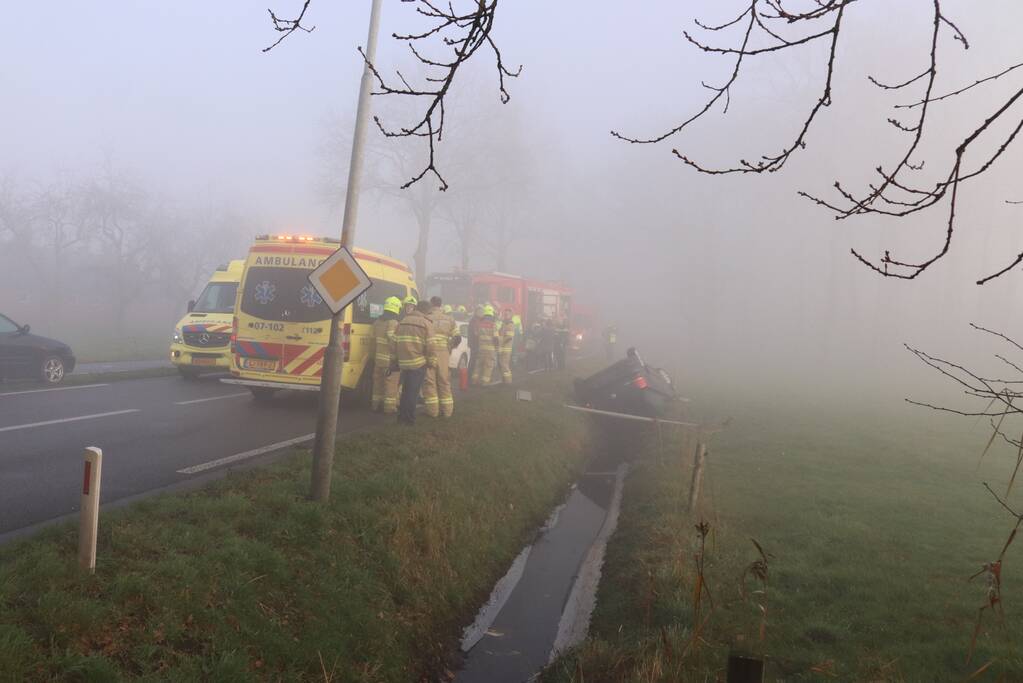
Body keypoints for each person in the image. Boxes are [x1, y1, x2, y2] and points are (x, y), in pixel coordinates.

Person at [392, 299, 435, 425]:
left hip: (403, 361)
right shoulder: (426, 323)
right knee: (413, 392)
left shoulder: (403, 321)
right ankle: (409, 419)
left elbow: (393, 342)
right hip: (418, 362)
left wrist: (394, 359)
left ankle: (401, 417)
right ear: (426, 310)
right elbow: (431, 345)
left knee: (405, 390)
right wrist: (432, 362)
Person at [424, 296, 460, 417]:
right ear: (441, 304)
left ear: (431, 304)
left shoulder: (426, 317)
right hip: (444, 352)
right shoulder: (449, 319)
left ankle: (433, 412)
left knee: (430, 382)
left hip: (429, 351)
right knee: (444, 381)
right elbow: (457, 337)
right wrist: (449, 348)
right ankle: (447, 411)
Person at [370, 296, 402, 414]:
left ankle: (375, 405)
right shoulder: (393, 322)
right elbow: (391, 337)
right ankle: (389, 408)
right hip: (389, 360)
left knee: (377, 383)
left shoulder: (377, 322)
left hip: (378, 359)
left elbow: (372, 340)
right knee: (391, 384)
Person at [471, 304, 499, 385]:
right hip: (490, 350)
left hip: (481, 348)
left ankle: (474, 380)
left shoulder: (479, 324)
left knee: (478, 365)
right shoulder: (493, 325)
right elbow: (496, 338)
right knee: (488, 366)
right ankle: (485, 382)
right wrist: (496, 347)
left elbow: (476, 334)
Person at [498, 308, 516, 383]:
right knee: (502, 364)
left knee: (504, 364)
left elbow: (509, 337)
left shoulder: (510, 324)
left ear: (511, 315)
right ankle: (504, 380)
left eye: (507, 314)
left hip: (506, 348)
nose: (505, 316)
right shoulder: (504, 324)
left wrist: (501, 342)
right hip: (502, 348)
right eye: (504, 314)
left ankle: (508, 381)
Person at [467, 304, 483, 381]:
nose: (481, 313)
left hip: (475, 343)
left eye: (482, 311)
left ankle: (473, 376)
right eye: (480, 311)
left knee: (475, 360)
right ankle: (470, 376)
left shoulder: (476, 320)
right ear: (476, 312)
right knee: (473, 360)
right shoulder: (474, 321)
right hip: (475, 344)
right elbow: (475, 333)